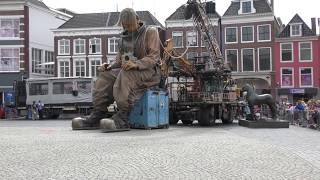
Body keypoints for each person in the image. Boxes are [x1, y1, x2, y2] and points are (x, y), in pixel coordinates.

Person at [72, 8, 161, 132]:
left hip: (150, 71)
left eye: (130, 25)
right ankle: (98, 113)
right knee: (105, 76)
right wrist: (109, 66)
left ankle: (123, 116)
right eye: (125, 26)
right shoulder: (123, 38)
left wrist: (136, 64)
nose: (128, 28)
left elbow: (154, 57)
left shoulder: (150, 32)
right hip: (129, 70)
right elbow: (119, 61)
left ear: (137, 20)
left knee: (126, 74)